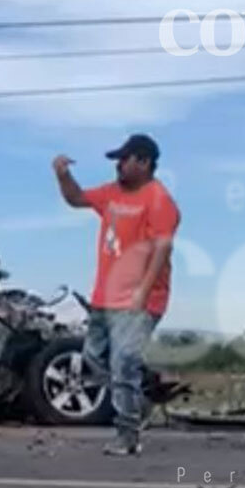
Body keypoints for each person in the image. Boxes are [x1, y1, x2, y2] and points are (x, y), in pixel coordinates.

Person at [51, 134, 180, 456]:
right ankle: (141, 399)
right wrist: (63, 175)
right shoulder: (111, 193)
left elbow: (162, 250)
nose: (119, 166)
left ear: (144, 162)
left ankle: (128, 434)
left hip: (140, 299)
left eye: (124, 160)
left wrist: (143, 293)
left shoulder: (158, 200)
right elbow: (76, 198)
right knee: (94, 359)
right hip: (105, 296)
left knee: (123, 361)